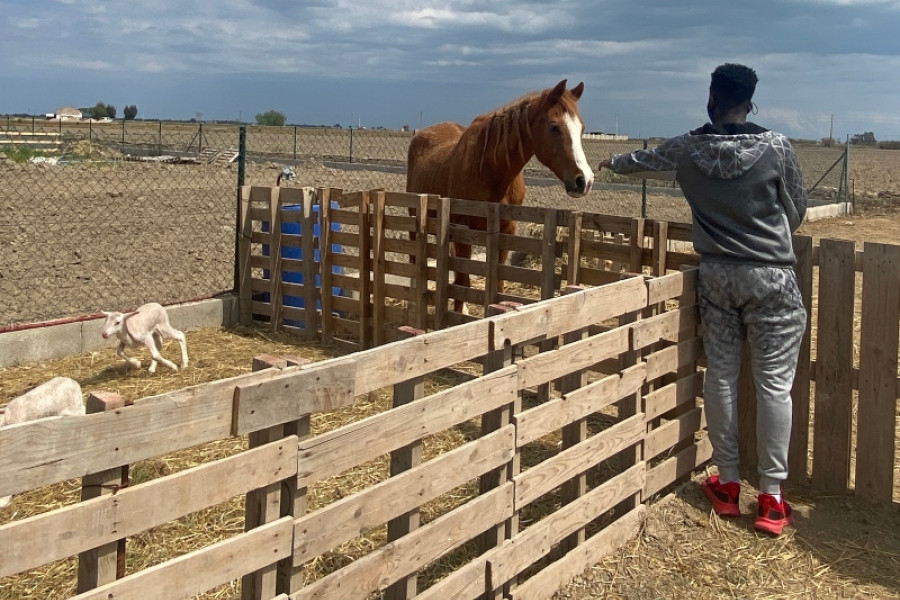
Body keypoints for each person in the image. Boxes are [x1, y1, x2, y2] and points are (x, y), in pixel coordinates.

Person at [598, 63, 807, 536]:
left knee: (722, 377)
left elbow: (642, 161)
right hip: (772, 278)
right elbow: (797, 208)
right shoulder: (776, 148)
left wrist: (606, 162)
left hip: (715, 277)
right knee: (774, 385)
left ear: (711, 97)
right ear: (750, 102)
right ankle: (772, 498)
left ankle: (728, 484)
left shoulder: (689, 147)